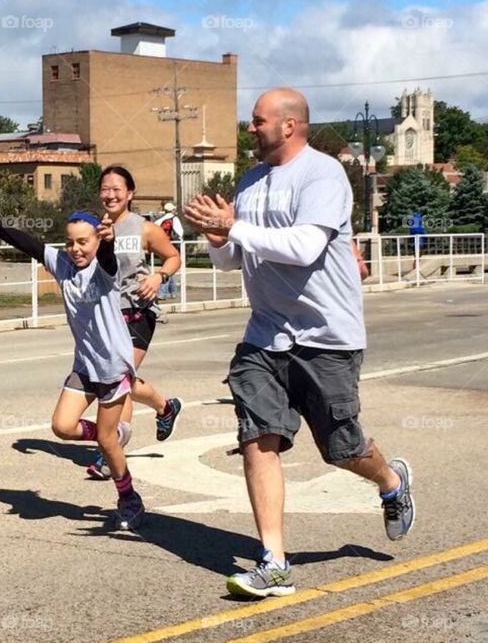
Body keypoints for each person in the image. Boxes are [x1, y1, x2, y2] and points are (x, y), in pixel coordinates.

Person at [184, 88, 414, 598]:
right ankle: (274, 561)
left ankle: (390, 482)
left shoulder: (323, 175)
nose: (250, 129)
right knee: (257, 438)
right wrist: (216, 237)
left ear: (289, 125)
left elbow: (305, 246)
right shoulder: (250, 181)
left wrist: (234, 226)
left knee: (341, 449)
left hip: (326, 336)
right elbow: (232, 260)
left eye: (257, 120)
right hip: (266, 336)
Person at [0, 181, 143, 530]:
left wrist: (108, 242)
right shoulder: (62, 263)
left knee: (107, 441)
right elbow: (20, 239)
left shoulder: (104, 270)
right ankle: (112, 433)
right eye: (71, 242)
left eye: (84, 242)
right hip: (85, 363)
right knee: (62, 426)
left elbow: (108, 259)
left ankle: (129, 498)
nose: (76, 249)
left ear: (96, 241)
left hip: (112, 366)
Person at [85, 166, 184, 480]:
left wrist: (159, 276)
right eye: (105, 188)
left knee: (119, 380)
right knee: (120, 380)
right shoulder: (93, 227)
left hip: (137, 313)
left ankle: (111, 450)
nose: (110, 194)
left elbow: (174, 256)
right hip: (105, 317)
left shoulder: (144, 228)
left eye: (117, 189)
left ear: (130, 193)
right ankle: (165, 407)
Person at [154, 202, 185, 300]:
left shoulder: (160, 220)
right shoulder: (174, 219)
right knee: (168, 269)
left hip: (162, 246)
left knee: (167, 268)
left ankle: (170, 291)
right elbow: (180, 232)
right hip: (172, 246)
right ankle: (166, 292)